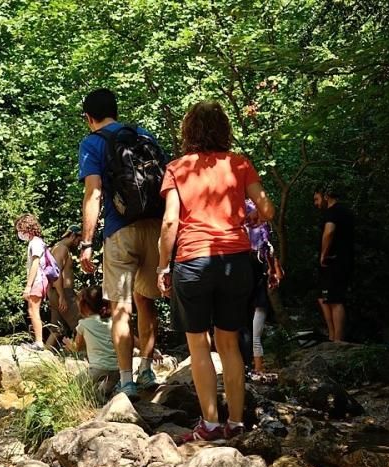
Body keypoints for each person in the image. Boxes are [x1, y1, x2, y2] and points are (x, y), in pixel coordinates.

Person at [157, 101, 275, 442]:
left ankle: (209, 425)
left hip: (193, 261)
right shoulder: (239, 164)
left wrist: (163, 265)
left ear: (188, 131)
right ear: (224, 129)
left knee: (198, 345)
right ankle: (236, 422)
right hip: (235, 262)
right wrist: (252, 218)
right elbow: (266, 207)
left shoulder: (178, 168)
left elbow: (169, 222)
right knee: (229, 344)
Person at [78, 88, 163, 398]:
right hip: (155, 227)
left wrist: (87, 242)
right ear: (115, 110)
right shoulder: (144, 136)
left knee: (120, 309)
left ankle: (126, 380)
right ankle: (147, 370)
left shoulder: (93, 143)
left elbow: (94, 193)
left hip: (120, 230)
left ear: (89, 117)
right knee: (146, 301)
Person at [242, 201, 283, 380]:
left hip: (256, 291)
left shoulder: (260, 246)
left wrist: (274, 269)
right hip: (255, 290)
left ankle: (256, 369)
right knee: (249, 331)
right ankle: (255, 369)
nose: (254, 220)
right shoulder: (261, 246)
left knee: (251, 331)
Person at [314, 185, 355, 342]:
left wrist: (324, 254)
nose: (316, 203)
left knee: (335, 299)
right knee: (323, 297)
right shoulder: (343, 211)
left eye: (317, 199)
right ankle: (332, 336)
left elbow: (329, 231)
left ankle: (338, 339)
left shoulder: (334, 212)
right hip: (337, 261)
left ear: (326, 196)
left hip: (335, 260)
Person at [64, 287, 119, 399]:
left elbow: (76, 348)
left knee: (73, 387)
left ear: (84, 306)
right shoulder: (112, 322)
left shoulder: (83, 324)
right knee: (101, 394)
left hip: (97, 369)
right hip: (116, 371)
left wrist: (68, 343)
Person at [15, 213, 49, 351]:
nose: (19, 233)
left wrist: (28, 287)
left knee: (33, 310)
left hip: (37, 281)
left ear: (27, 228)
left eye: (20, 229)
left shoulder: (35, 242)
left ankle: (39, 343)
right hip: (39, 281)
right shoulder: (37, 242)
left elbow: (35, 264)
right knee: (32, 310)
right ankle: (38, 341)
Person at [45, 225, 82, 349]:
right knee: (80, 323)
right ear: (72, 235)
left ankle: (45, 355)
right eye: (79, 239)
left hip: (56, 293)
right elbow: (56, 273)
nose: (79, 243)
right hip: (62, 293)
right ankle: (85, 356)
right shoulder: (62, 249)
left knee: (56, 329)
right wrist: (62, 296)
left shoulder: (56, 248)